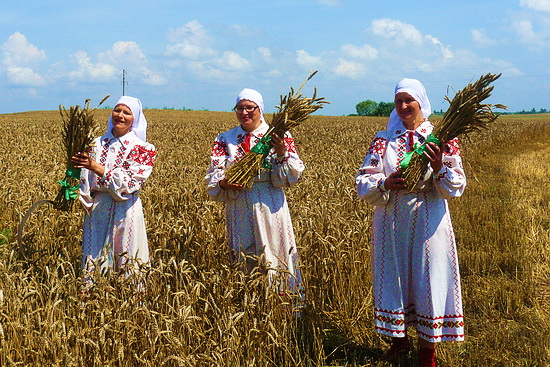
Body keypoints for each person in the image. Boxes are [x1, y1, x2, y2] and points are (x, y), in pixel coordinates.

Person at [355, 78, 466, 366]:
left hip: (429, 215)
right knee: (395, 276)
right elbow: (364, 180)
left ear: (420, 102)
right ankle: (398, 341)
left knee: (429, 277)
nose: (403, 106)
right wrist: (386, 182)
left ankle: (427, 351)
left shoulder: (442, 136)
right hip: (391, 217)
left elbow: (455, 187)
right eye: (398, 101)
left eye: (409, 101)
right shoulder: (384, 139)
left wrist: (440, 165)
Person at [205, 88, 304, 295]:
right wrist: (225, 184)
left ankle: (281, 306)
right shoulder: (225, 139)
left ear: (260, 109)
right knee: (244, 255)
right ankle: (248, 305)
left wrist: (281, 153)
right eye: (240, 108)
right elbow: (214, 174)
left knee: (275, 252)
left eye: (250, 107)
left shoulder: (278, 135)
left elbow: (291, 176)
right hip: (239, 204)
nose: (244, 112)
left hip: (270, 202)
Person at [71, 96, 157, 280]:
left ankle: (130, 304)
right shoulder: (94, 143)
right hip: (98, 208)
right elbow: (83, 178)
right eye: (117, 110)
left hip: (126, 209)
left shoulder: (144, 148)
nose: (120, 115)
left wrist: (96, 167)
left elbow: (130, 183)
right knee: (94, 256)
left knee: (127, 256)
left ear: (135, 119)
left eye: (127, 112)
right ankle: (93, 302)